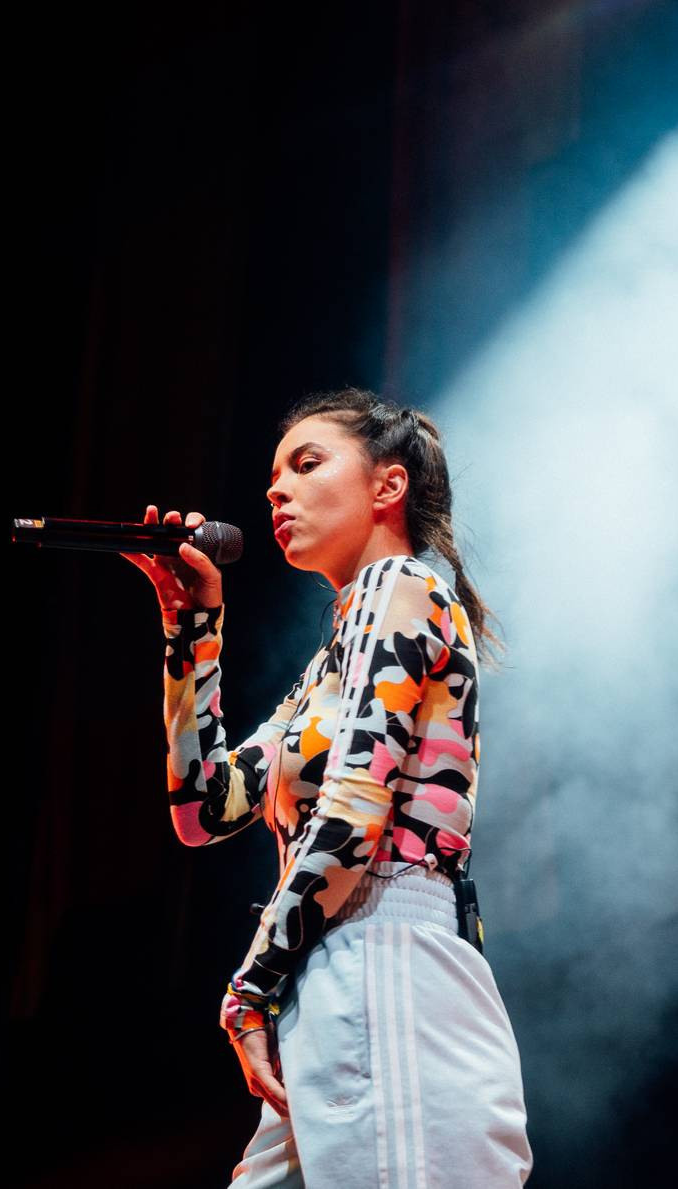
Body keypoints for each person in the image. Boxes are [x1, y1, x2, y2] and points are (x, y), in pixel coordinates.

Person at [123, 387, 533, 1187]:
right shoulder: (328, 668)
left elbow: (353, 811)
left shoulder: (398, 584)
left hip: (386, 957)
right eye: (273, 476)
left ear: (388, 486)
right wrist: (192, 626)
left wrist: (251, 984)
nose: (276, 490)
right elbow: (205, 805)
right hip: (334, 970)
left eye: (307, 464)